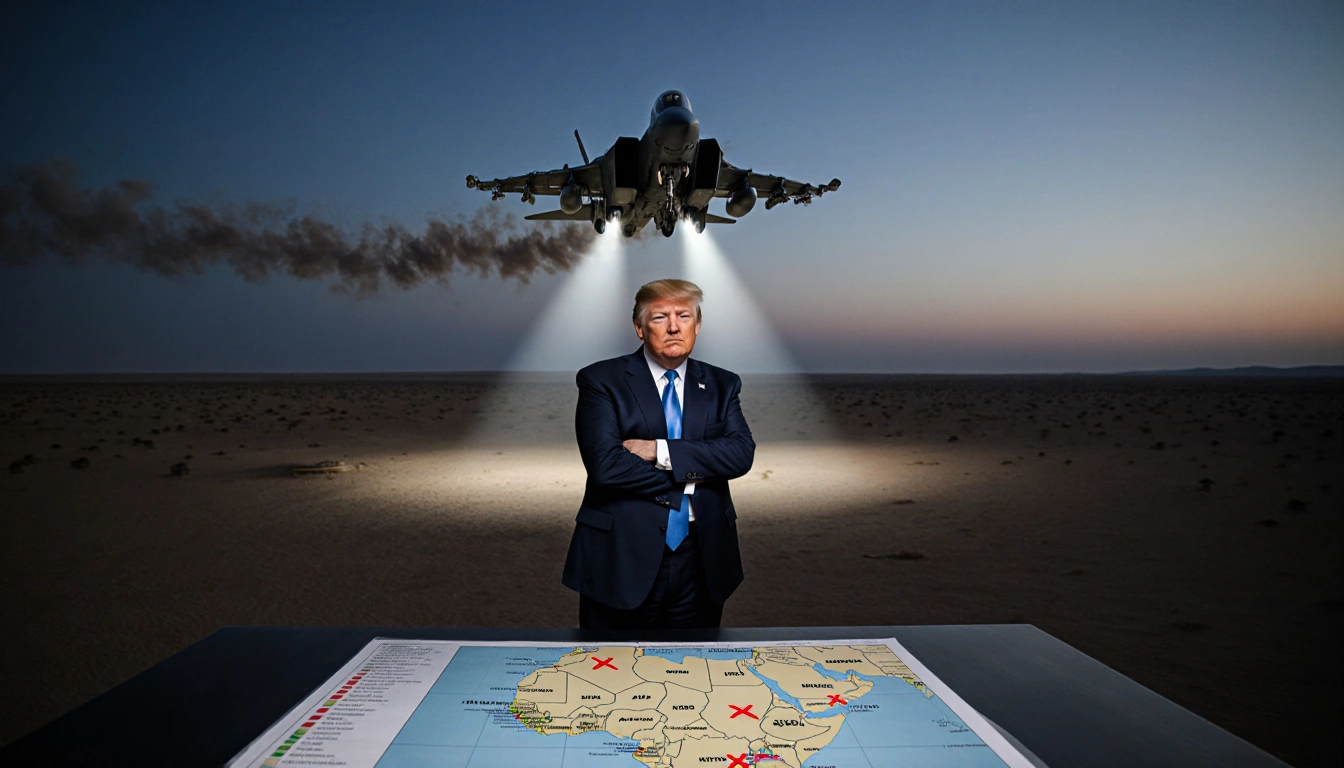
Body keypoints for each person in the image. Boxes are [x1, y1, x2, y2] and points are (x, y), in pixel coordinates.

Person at [562, 278, 755, 629]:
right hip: (620, 556)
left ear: (697, 325)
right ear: (638, 328)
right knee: (611, 677)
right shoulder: (600, 380)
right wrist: (701, 470)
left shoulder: (723, 384)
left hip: (703, 559)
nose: (673, 327)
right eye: (659, 317)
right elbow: (607, 467)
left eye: (683, 315)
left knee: (695, 674)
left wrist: (659, 451)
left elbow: (741, 455)